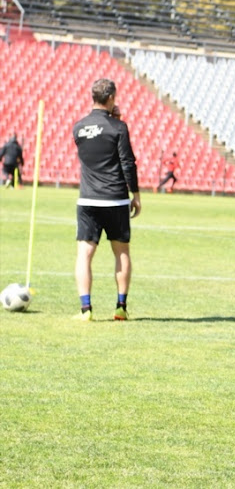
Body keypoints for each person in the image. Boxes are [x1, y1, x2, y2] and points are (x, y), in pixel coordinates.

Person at [72, 78, 141, 321]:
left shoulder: (78, 127)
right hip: (115, 200)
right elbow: (127, 162)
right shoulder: (118, 128)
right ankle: (120, 307)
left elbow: (94, 149)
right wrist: (136, 194)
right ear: (111, 97)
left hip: (88, 200)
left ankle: (85, 310)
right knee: (121, 253)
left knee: (84, 254)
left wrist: (113, 120)